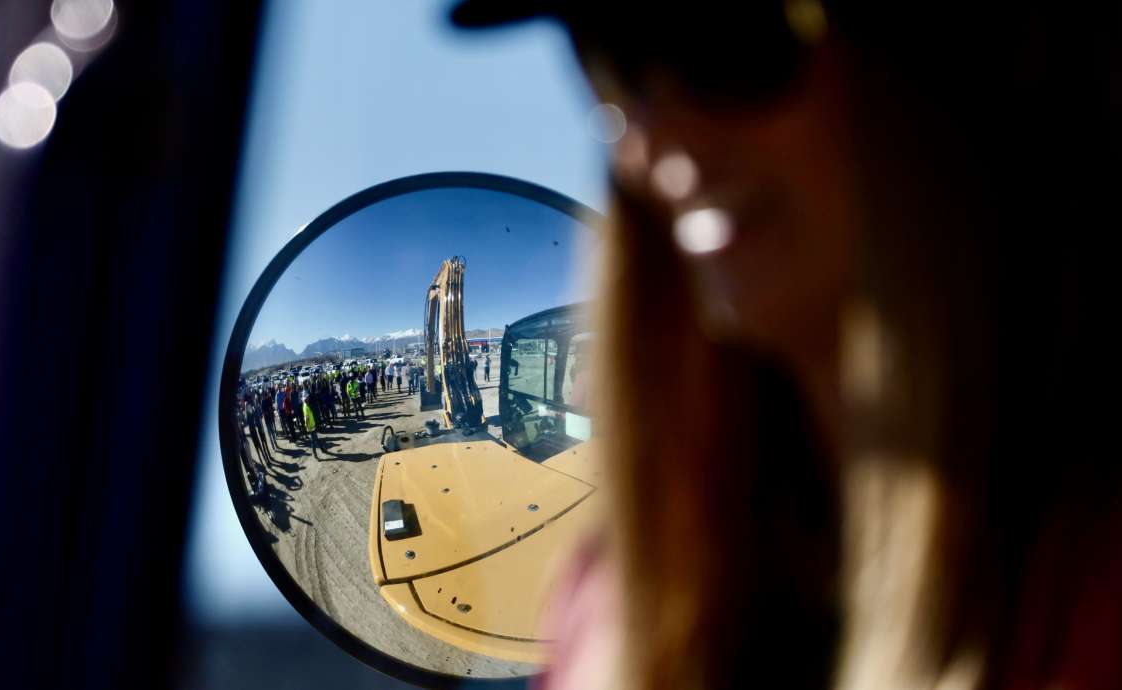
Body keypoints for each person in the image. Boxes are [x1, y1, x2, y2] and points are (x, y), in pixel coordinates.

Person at [451, 2, 1122, 690]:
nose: (658, 135)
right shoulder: (617, 594)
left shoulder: (1089, 588)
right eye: (613, 65)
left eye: (726, 40)